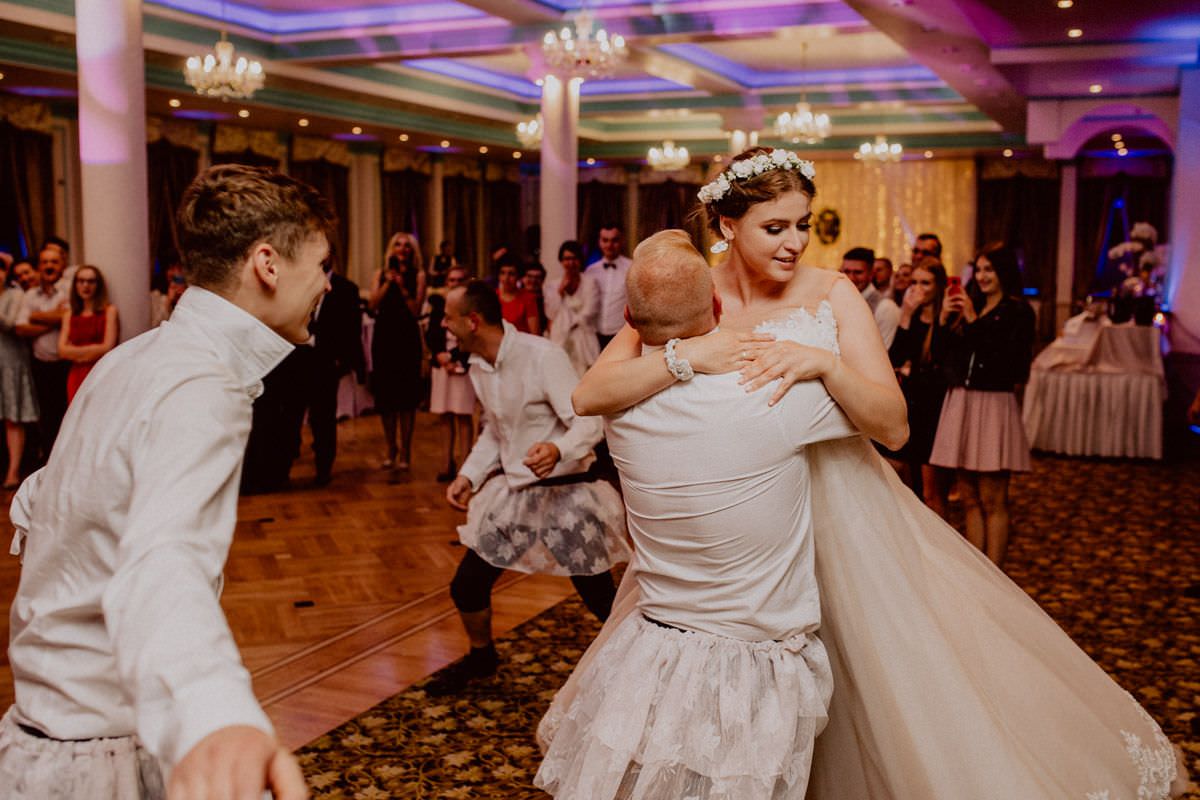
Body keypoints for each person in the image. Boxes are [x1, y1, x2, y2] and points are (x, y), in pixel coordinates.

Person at [557, 146, 1187, 799]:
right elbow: (592, 394)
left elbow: (894, 425)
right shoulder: (691, 292)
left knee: (880, 692)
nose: (796, 242)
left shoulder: (831, 292)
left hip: (844, 520)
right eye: (776, 227)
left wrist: (825, 366)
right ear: (725, 226)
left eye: (803, 223)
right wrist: (694, 355)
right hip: (734, 536)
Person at [1, 164, 327, 800]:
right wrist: (217, 718)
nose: (324, 285)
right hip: (102, 756)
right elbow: (162, 561)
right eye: (320, 265)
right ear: (268, 263)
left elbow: (46, 498)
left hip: (43, 740)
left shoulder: (133, 359)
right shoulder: (203, 384)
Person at [536, 229, 860, 799]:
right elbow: (893, 426)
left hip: (652, 648)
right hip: (754, 665)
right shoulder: (776, 394)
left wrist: (668, 344)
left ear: (630, 324)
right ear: (716, 305)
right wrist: (827, 363)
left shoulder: (620, 407)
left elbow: (591, 391)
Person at [436, 280, 630, 693]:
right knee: (467, 586)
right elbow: (496, 430)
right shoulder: (477, 365)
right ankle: (481, 658)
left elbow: (589, 420)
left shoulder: (542, 356)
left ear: (472, 321)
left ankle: (639, 667)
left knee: (599, 598)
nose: (444, 324)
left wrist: (558, 450)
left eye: (449, 317)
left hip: (570, 495)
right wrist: (468, 475)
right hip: (517, 496)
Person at [929, 243, 1036, 566]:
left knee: (993, 498)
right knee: (969, 498)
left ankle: (997, 576)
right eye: (979, 269)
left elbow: (1009, 365)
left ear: (1004, 272)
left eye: (989, 269)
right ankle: (980, 574)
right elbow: (942, 357)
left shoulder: (1018, 311)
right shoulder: (971, 305)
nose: (983, 275)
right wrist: (947, 321)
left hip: (993, 405)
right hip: (962, 401)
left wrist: (974, 323)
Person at [883, 259, 952, 516]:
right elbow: (895, 358)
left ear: (939, 285)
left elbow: (942, 362)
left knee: (934, 494)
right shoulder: (911, 316)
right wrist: (906, 315)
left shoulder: (949, 316)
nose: (918, 289)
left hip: (937, 407)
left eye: (926, 283)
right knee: (910, 489)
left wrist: (943, 322)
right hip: (913, 403)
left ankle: (942, 550)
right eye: (914, 282)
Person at [369, 231, 426, 472]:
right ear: (391, 249)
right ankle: (390, 448)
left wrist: (403, 288)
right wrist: (388, 282)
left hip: (406, 338)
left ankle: (406, 451)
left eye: (407, 246)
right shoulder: (380, 274)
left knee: (406, 399)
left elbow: (415, 311)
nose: (402, 249)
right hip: (384, 338)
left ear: (412, 251)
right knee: (387, 398)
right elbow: (373, 304)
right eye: (398, 245)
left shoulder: (419, 275)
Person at [14, 247, 69, 463]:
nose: (49, 267)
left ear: (62, 265)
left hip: (66, 363)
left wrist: (37, 317)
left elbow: (69, 315)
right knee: (46, 417)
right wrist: (54, 320)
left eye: (54, 262)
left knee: (68, 415)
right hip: (41, 365)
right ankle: (49, 465)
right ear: (39, 267)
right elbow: (20, 328)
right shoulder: (29, 295)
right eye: (45, 262)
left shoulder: (68, 291)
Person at [425, 266, 475, 483]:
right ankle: (446, 462)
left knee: (463, 415)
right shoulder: (438, 307)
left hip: (462, 365)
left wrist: (453, 356)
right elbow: (431, 334)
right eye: (451, 280)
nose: (454, 283)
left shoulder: (471, 309)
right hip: (442, 366)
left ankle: (466, 464)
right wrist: (439, 355)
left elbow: (471, 337)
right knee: (445, 415)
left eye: (459, 280)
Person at [0, 256, 38, 489]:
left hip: (11, 362)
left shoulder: (16, 296)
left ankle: (13, 472)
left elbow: (11, 323)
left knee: (13, 417)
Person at [59, 265, 119, 404]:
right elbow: (62, 350)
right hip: (76, 374)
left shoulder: (109, 311)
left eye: (91, 281)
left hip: (101, 372)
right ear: (75, 285)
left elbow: (107, 347)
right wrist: (92, 351)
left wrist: (75, 352)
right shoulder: (69, 314)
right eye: (81, 281)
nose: (86, 285)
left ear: (98, 284)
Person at [544, 240, 600, 377]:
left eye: (574, 258)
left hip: (584, 335)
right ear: (561, 261)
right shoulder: (552, 285)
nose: (570, 263)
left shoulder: (590, 282)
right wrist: (560, 292)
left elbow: (591, 310)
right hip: (560, 337)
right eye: (566, 259)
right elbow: (551, 313)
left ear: (580, 260)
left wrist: (572, 323)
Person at [584, 222, 632, 350]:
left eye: (614, 240)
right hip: (594, 334)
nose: (609, 245)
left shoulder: (631, 268)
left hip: (621, 334)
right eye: (605, 240)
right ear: (599, 242)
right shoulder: (590, 271)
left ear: (622, 241)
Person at [840, 246, 899, 348]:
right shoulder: (836, 300)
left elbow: (884, 352)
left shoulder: (886, 307)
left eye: (858, 272)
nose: (851, 278)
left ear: (871, 274)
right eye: (846, 271)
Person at [495, 260, 541, 335]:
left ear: (518, 276)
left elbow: (535, 333)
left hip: (521, 344)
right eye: (502, 273)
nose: (506, 278)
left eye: (511, 274)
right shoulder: (492, 296)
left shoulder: (528, 298)